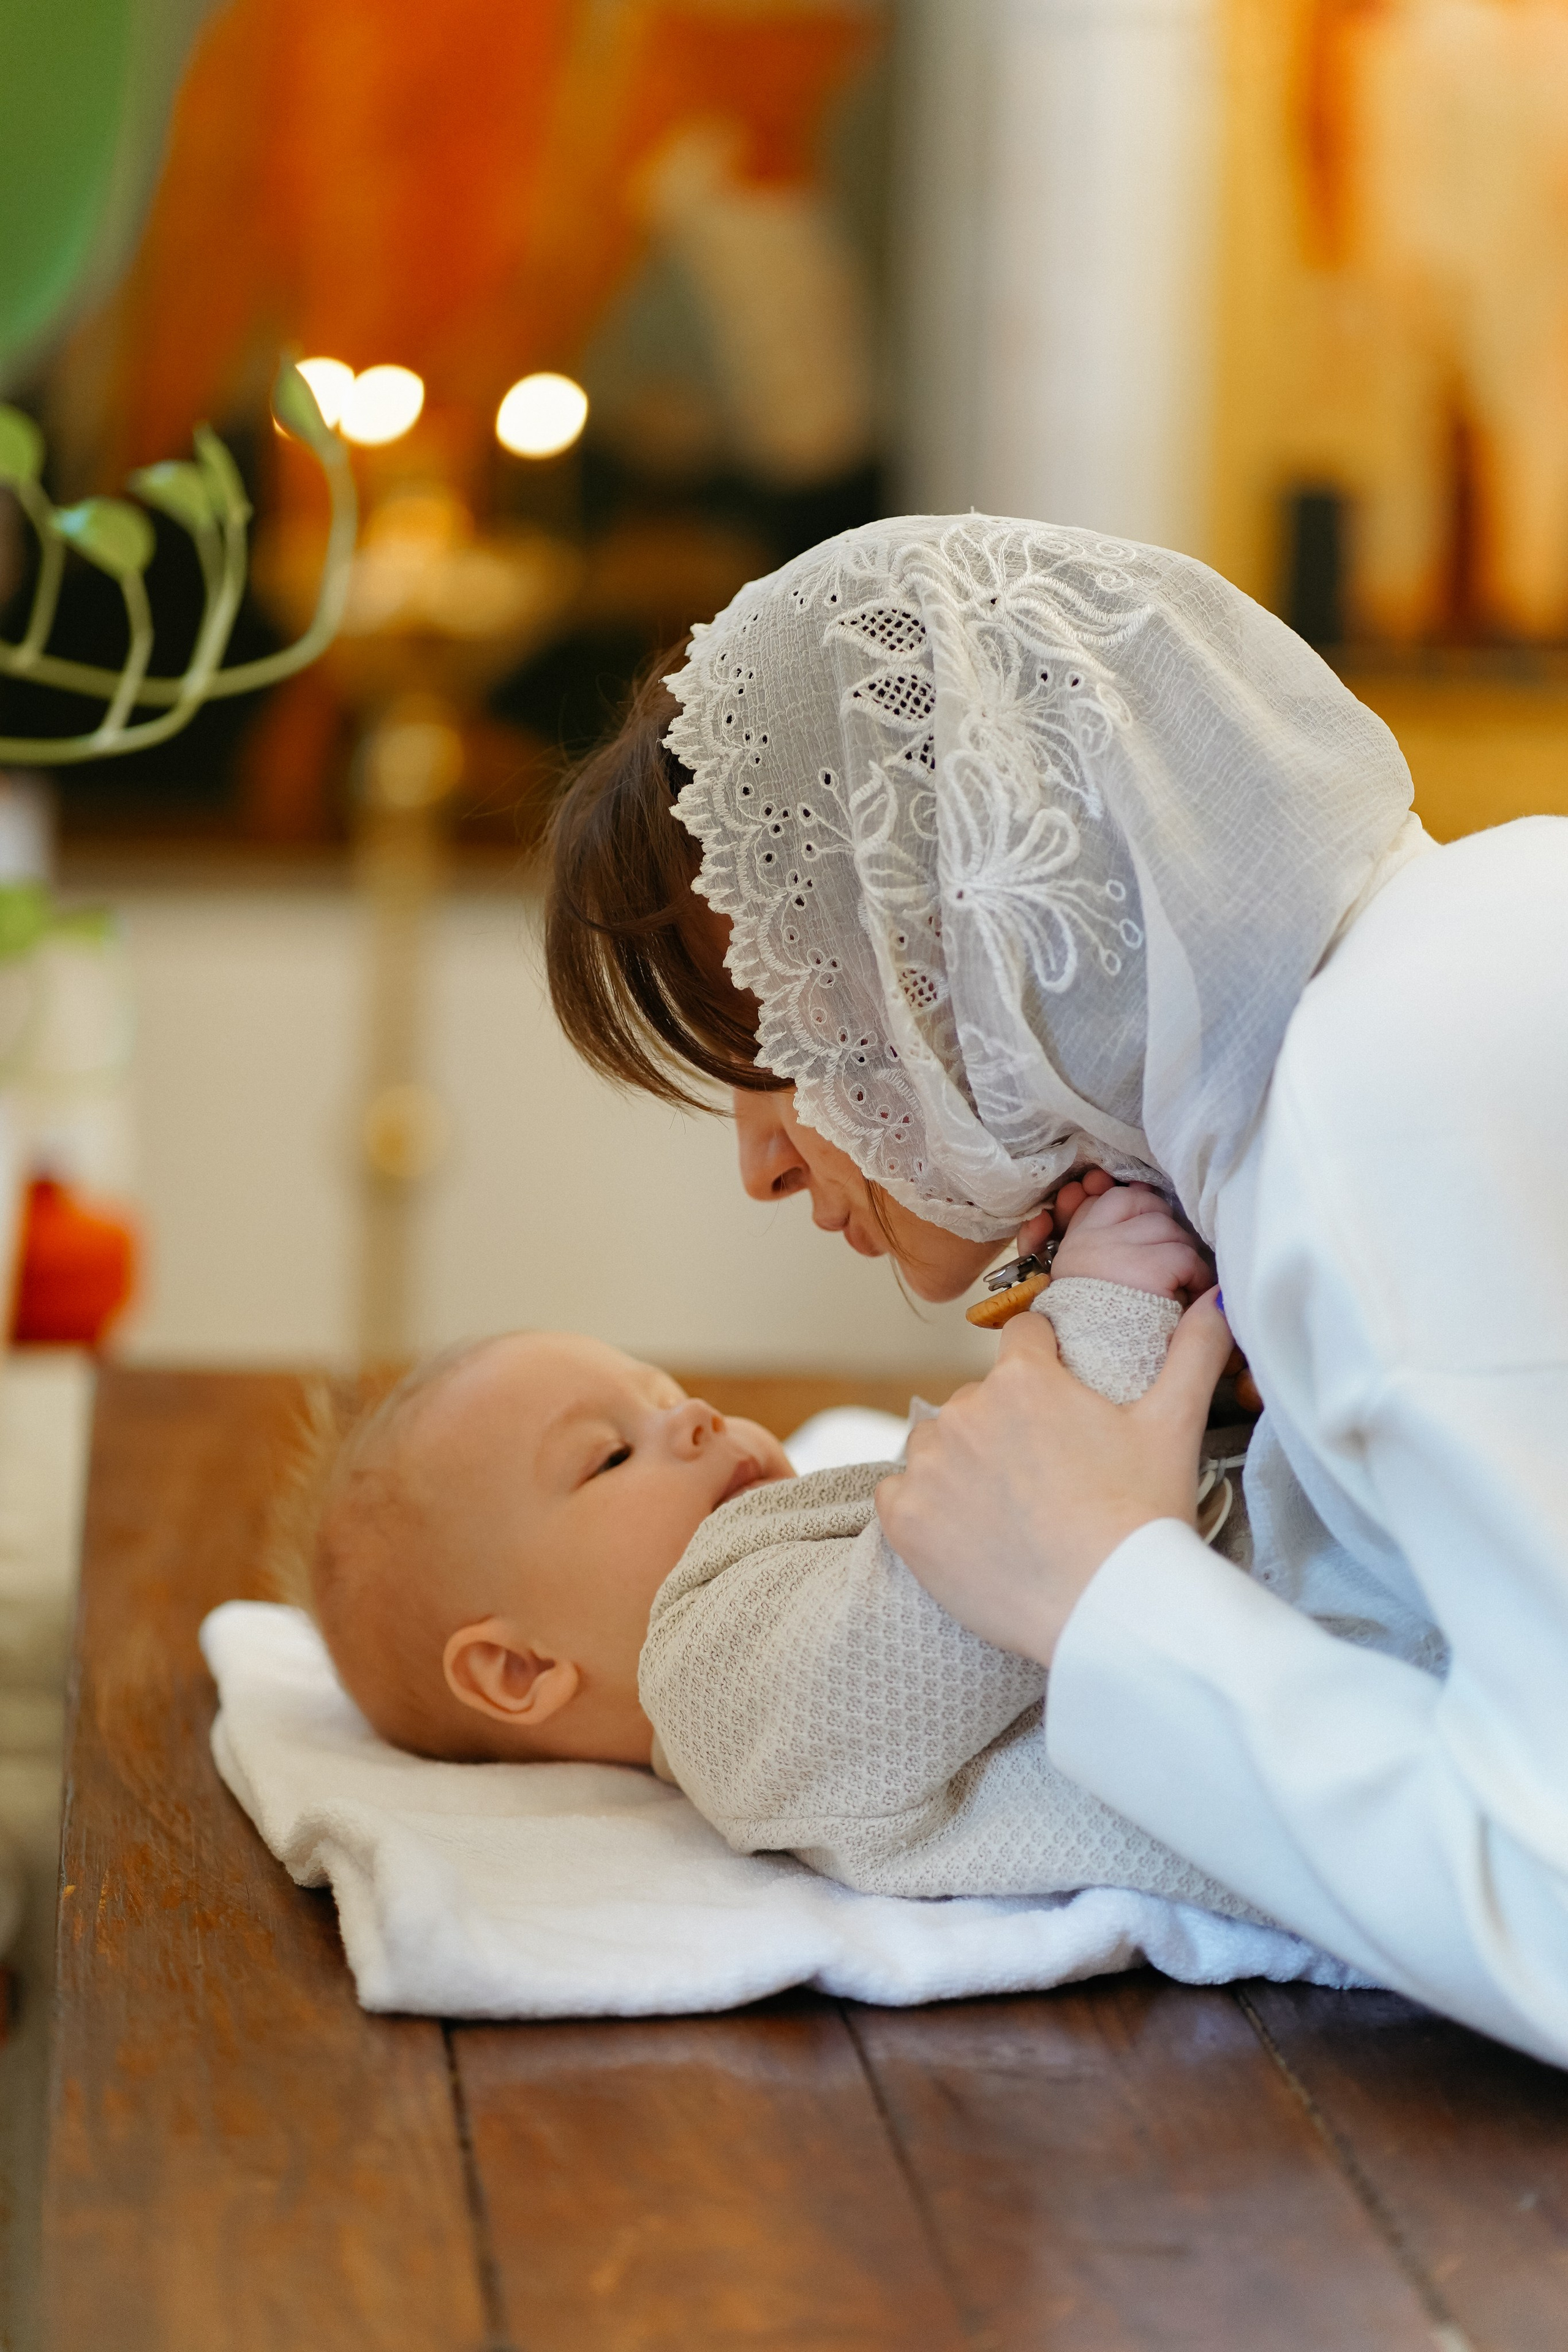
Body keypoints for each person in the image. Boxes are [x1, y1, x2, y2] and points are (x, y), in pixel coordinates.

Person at [543, 512, 1568, 2065]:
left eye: (776, 1033)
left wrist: (1096, 1591)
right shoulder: (1434, 976)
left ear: (955, 921)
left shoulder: (1373, 1115)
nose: (758, 1163)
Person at [270, 1179, 1270, 1914]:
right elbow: (991, 1578)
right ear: (521, 1668)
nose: (693, 1419)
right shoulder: (708, 1687)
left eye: (667, 1396)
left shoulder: (771, 1591)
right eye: (611, 1455)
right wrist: (1108, 1312)